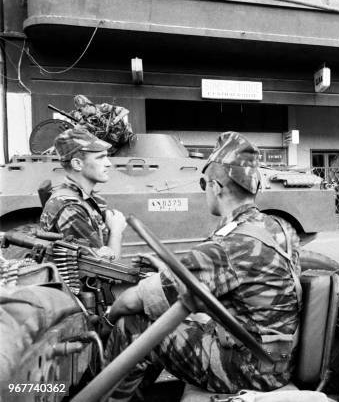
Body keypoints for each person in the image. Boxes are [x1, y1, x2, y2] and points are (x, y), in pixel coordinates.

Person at [104, 131, 301, 400]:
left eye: (203, 183)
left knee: (132, 324)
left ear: (215, 187)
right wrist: (168, 272)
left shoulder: (226, 246)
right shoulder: (280, 228)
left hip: (246, 370)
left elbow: (130, 302)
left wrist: (107, 318)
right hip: (276, 360)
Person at [39, 127, 127, 259]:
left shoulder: (83, 199)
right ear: (77, 164)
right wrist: (116, 231)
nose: (108, 164)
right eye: (100, 157)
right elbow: (105, 270)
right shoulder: (69, 207)